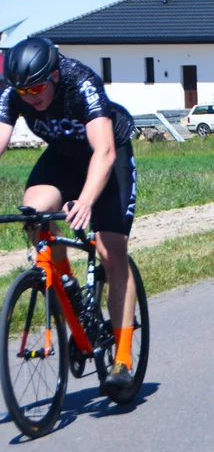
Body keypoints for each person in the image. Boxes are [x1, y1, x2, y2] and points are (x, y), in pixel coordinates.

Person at [0, 37, 139, 394]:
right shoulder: (12, 91)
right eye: (23, 90)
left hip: (108, 159)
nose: (31, 96)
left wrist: (87, 200)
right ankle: (68, 287)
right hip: (63, 158)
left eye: (37, 87)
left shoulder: (82, 82)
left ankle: (122, 358)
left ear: (56, 75)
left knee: (111, 251)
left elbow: (105, 151)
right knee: (34, 211)